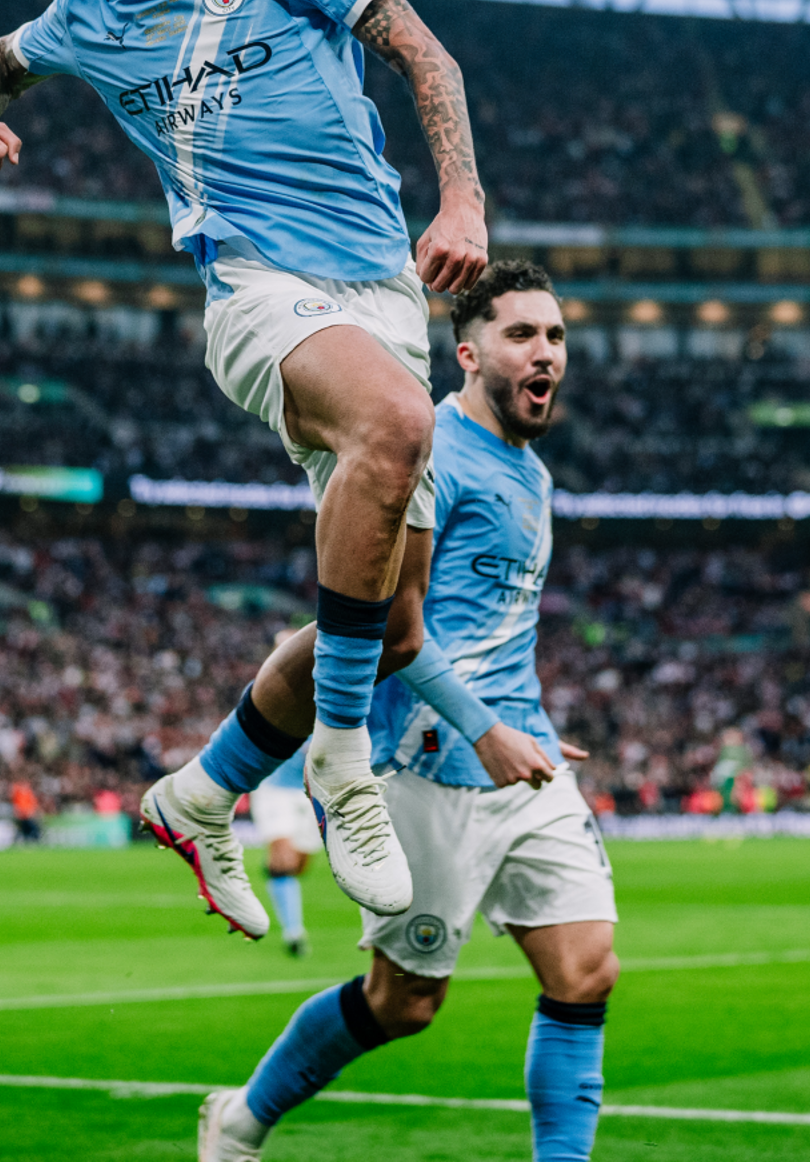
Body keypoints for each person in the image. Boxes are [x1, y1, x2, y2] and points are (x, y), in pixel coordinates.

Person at [0, 0, 515, 933]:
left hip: (380, 294)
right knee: (401, 421)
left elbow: (423, 51)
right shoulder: (87, 12)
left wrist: (460, 200)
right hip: (256, 292)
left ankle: (203, 793)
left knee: (389, 616)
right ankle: (338, 761)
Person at [199, 262, 620, 1162]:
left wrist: (523, 721)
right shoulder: (425, 451)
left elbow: (495, 631)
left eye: (555, 337)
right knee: (404, 1005)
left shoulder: (532, 471)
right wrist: (484, 726)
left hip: (522, 759)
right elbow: (393, 628)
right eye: (521, 335)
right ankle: (239, 1121)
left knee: (587, 971)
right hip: (423, 766)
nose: (545, 352)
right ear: (468, 353)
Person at [248, 743, 322, 957]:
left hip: (310, 790)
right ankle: (294, 933)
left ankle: (275, 873)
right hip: (274, 788)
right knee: (285, 862)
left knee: (300, 865)